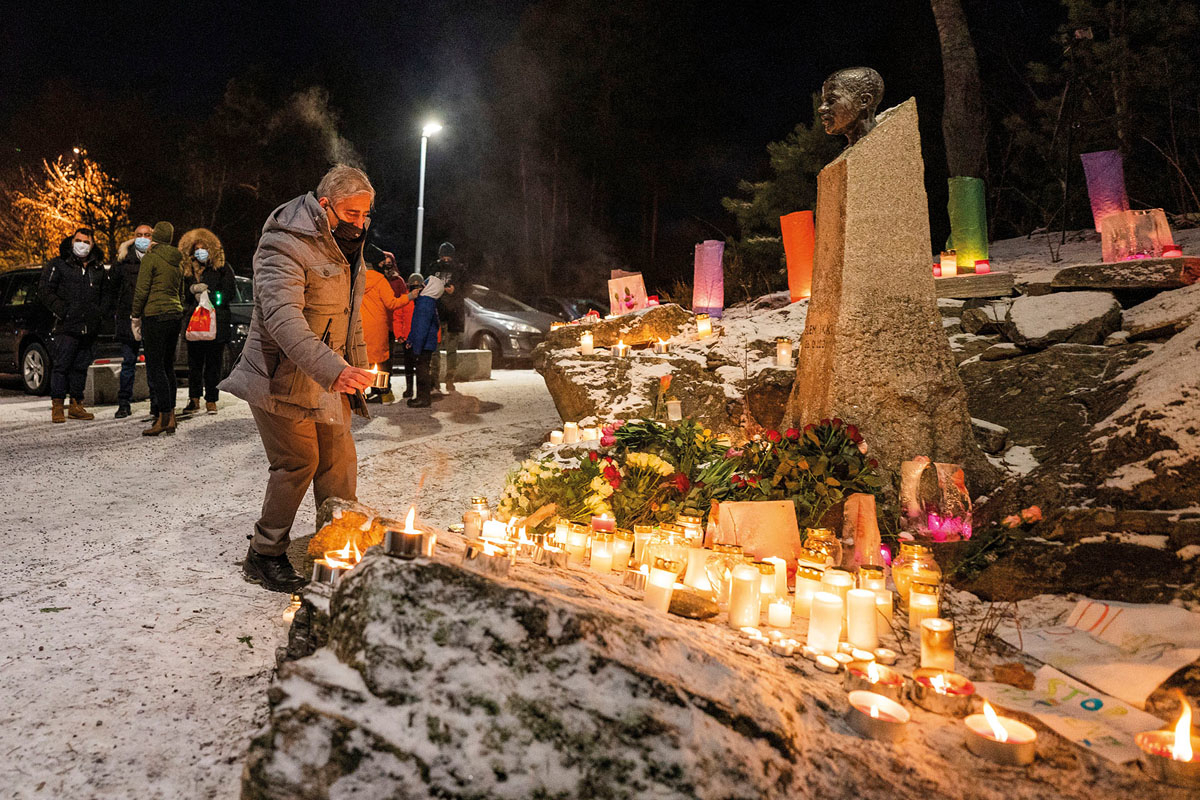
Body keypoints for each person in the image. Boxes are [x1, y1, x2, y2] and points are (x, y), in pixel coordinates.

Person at [219, 164, 375, 593]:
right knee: (297, 463)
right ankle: (264, 553)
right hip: (277, 378)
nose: (359, 224)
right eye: (351, 214)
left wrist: (355, 371)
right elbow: (283, 321)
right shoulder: (281, 245)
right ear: (325, 207)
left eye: (366, 215)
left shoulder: (349, 249)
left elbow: (348, 319)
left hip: (327, 377)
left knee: (339, 464)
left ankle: (337, 550)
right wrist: (334, 369)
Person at [39, 227, 106, 423]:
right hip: (66, 326)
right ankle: (58, 405)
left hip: (89, 326)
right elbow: (45, 291)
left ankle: (77, 404)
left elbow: (106, 294)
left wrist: (99, 313)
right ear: (72, 241)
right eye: (79, 240)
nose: (82, 244)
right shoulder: (59, 264)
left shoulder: (97, 268)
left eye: (86, 241)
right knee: (61, 365)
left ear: (92, 244)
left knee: (81, 366)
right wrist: (63, 311)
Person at [132, 221, 185, 436]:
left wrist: (135, 315)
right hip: (174, 315)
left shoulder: (151, 258)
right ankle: (171, 415)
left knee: (156, 368)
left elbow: (142, 290)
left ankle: (162, 417)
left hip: (155, 316)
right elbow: (180, 291)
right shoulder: (178, 261)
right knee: (168, 366)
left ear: (156, 237)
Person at [179, 228, 236, 415]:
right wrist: (192, 292)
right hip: (194, 323)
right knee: (194, 364)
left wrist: (211, 297)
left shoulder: (222, 268)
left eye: (204, 248)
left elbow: (229, 292)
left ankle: (211, 399)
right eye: (197, 248)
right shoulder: (186, 271)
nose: (200, 251)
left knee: (214, 364)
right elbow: (181, 294)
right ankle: (193, 399)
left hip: (216, 323)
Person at [110, 224, 153, 419]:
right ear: (133, 237)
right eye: (139, 235)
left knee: (154, 364)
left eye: (147, 235)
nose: (143, 238)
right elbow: (112, 289)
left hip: (152, 318)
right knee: (128, 362)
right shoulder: (122, 261)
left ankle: (156, 403)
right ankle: (124, 403)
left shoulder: (157, 258)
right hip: (129, 318)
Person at [360, 248, 410, 403]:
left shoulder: (358, 279)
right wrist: (409, 296)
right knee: (381, 360)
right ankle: (383, 392)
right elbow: (391, 303)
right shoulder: (380, 280)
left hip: (363, 325)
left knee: (365, 359)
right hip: (380, 326)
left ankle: (364, 391)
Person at [817, 66, 884, 147]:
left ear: (864, 101)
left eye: (831, 101)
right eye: (823, 101)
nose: (821, 108)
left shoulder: (884, 142)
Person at [429, 242, 463, 394]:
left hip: (454, 316)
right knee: (434, 351)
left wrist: (455, 290)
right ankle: (435, 381)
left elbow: (468, 288)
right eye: (444, 256)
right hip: (436, 314)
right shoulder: (433, 268)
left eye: (448, 256)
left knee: (451, 351)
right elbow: (426, 286)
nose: (446, 259)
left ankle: (450, 380)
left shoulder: (460, 270)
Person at [406, 274, 444, 408]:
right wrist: (411, 338)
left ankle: (423, 398)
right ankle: (422, 397)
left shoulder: (425, 303)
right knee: (423, 369)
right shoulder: (428, 302)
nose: (422, 286)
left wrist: (416, 348)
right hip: (426, 343)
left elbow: (421, 327)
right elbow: (417, 324)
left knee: (422, 371)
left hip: (423, 344)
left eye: (425, 284)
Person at [391, 272, 422, 399]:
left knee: (421, 366)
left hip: (420, 338)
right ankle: (409, 389)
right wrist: (399, 336)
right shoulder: (405, 299)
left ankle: (421, 389)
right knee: (409, 365)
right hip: (407, 338)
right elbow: (397, 318)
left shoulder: (424, 300)